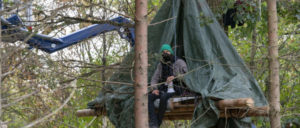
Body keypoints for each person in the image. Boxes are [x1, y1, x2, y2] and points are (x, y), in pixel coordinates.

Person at [148, 44, 188, 128]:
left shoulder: (179, 62)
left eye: (167, 51)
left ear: (171, 52)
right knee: (149, 97)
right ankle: (153, 121)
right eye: (163, 52)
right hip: (164, 89)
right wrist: (154, 89)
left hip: (177, 89)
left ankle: (157, 123)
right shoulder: (161, 65)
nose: (165, 53)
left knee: (163, 97)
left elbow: (187, 76)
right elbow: (154, 79)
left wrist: (176, 77)